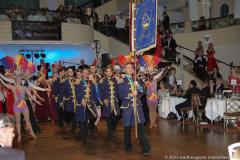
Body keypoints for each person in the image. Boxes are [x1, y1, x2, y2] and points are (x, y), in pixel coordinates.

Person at [117, 63, 151, 156]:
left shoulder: (137, 80)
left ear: (132, 70)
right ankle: (128, 146)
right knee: (127, 128)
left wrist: (139, 87)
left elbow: (144, 91)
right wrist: (129, 95)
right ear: (125, 69)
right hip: (127, 107)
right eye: (127, 67)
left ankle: (145, 148)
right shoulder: (121, 80)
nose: (129, 69)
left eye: (130, 68)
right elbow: (119, 94)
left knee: (141, 127)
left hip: (137, 106)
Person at [0, 73, 42, 141]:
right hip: (16, 105)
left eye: (20, 77)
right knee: (18, 121)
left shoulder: (24, 87)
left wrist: (37, 102)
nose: (19, 79)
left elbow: (30, 95)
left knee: (28, 120)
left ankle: (32, 133)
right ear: (15, 79)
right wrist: (0, 78)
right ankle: (19, 135)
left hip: (23, 104)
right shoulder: (13, 87)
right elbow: (4, 84)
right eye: (18, 78)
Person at [75, 67, 98, 143]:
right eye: (84, 72)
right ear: (82, 74)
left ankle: (89, 129)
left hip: (90, 104)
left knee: (94, 116)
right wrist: (82, 101)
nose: (86, 74)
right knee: (83, 121)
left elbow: (94, 93)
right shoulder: (79, 82)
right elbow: (77, 92)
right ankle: (84, 138)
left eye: (87, 72)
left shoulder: (91, 82)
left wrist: (93, 102)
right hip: (82, 104)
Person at [99, 67, 120, 141]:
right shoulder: (102, 81)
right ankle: (110, 135)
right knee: (108, 119)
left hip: (115, 102)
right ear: (105, 73)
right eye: (107, 71)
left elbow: (117, 90)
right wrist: (103, 99)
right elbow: (100, 92)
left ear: (112, 72)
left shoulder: (115, 80)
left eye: (110, 71)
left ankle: (113, 128)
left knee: (117, 115)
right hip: (107, 102)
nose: (109, 72)